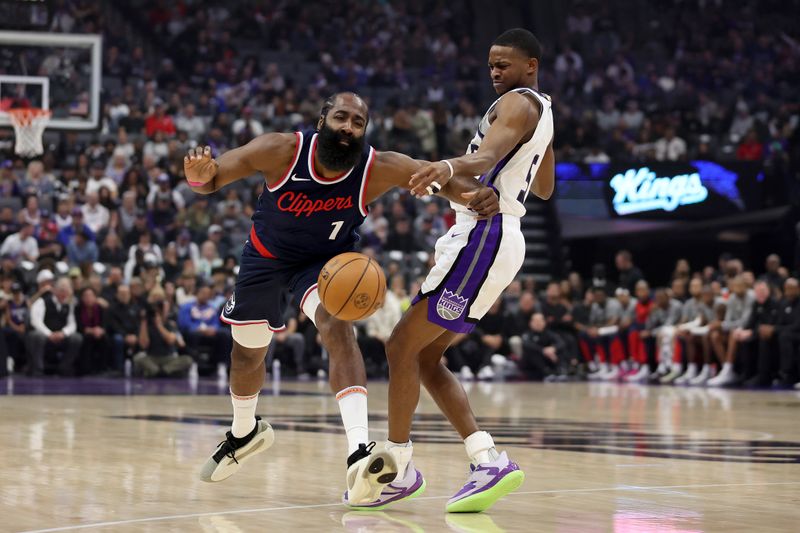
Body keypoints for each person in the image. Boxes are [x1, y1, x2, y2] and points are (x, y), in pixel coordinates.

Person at [184, 91, 499, 504]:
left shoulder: (377, 168)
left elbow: (436, 178)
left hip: (324, 266)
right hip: (264, 259)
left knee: (337, 326)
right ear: (322, 120)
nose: (348, 128)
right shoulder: (280, 150)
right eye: (341, 118)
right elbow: (211, 179)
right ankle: (245, 433)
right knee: (247, 354)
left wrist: (477, 195)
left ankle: (359, 449)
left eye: (357, 123)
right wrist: (197, 173)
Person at [376, 28, 554, 512]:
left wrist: (448, 166)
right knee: (426, 358)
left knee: (400, 346)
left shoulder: (518, 103)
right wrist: (522, 162)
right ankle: (486, 459)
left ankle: (397, 466)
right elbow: (544, 188)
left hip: (484, 236)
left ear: (530, 66)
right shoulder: (542, 111)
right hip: (494, 238)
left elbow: (487, 157)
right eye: (491, 64)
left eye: (504, 64)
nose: (494, 72)